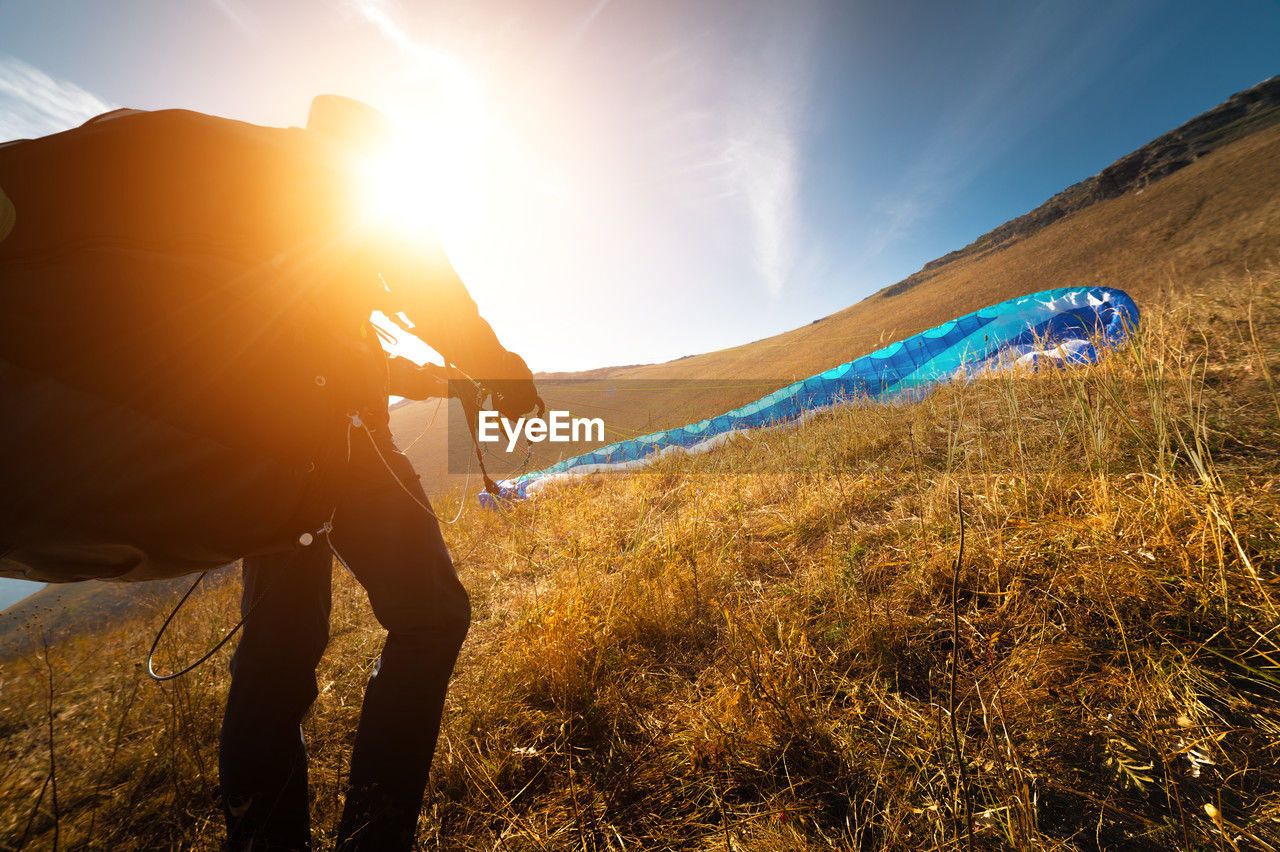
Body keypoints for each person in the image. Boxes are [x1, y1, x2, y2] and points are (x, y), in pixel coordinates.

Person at [0, 95, 537, 850]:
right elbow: (435, 297)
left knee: (280, 654)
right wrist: (506, 376)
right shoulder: (347, 189)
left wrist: (432, 380)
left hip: (271, 455)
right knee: (430, 617)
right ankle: (377, 833)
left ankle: (265, 839)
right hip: (340, 447)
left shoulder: (257, 193)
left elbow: (340, 347)